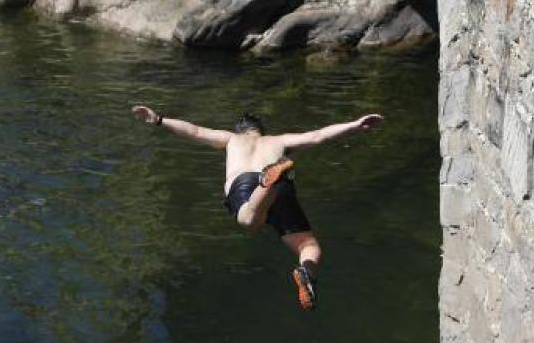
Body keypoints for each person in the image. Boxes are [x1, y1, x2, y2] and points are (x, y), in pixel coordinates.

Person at [130, 105, 383, 311]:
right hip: (283, 186)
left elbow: (194, 131)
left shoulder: (231, 139)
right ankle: (306, 272)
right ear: (261, 131)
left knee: (249, 222)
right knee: (308, 245)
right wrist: (354, 125)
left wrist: (159, 119)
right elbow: (319, 135)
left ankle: (267, 185)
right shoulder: (279, 140)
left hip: (246, 185)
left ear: (241, 130)